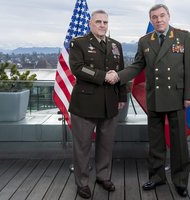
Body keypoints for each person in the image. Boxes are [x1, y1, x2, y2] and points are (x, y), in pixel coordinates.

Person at [105, 4, 190, 197]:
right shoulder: (145, 41)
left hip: (177, 97)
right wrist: (118, 76)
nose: (159, 20)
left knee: (179, 143)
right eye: (154, 17)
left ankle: (180, 181)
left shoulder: (182, 36)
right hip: (154, 97)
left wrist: (189, 95)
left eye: (162, 16)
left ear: (168, 16)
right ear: (151, 20)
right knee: (155, 142)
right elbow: (137, 66)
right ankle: (156, 177)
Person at [69, 10, 127, 199]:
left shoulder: (116, 45)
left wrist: (122, 97)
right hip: (85, 104)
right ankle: (82, 183)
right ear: (90, 23)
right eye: (98, 22)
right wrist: (104, 76)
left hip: (110, 102)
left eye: (105, 22)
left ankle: (102, 176)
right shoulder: (79, 43)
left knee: (106, 145)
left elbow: (121, 73)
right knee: (82, 147)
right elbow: (78, 68)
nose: (102, 25)